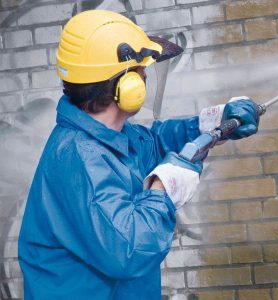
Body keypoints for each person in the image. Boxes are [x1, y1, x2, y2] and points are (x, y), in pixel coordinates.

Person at [18, 10, 259, 300]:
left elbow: (154, 143)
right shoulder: (81, 157)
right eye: (142, 71)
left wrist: (210, 123)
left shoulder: (109, 135)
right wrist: (163, 190)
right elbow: (129, 250)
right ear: (125, 86)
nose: (146, 78)